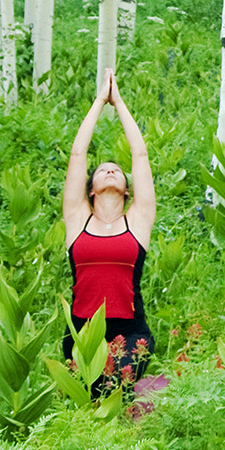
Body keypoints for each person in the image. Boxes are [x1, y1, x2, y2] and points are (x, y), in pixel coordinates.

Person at [62, 72, 156, 395]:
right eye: (103, 169)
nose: (111, 169)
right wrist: (99, 101)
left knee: (115, 392)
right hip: (81, 332)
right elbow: (77, 155)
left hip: (129, 333)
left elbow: (140, 156)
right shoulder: (77, 220)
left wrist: (119, 104)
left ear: (128, 191)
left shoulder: (138, 222)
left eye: (117, 169)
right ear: (90, 190)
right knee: (88, 403)